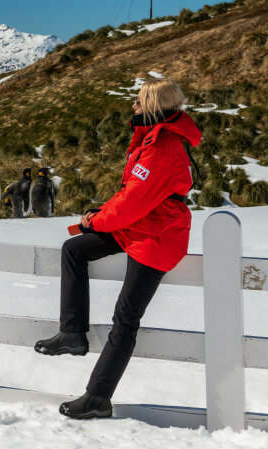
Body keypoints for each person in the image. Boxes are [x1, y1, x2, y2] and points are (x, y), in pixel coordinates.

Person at [34, 78, 202, 419]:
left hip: (157, 237)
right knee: (74, 250)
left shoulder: (161, 149)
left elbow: (132, 203)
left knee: (125, 319)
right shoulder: (153, 139)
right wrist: (100, 215)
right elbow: (130, 196)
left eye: (138, 101)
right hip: (139, 226)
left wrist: (96, 221)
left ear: (153, 106)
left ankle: (98, 398)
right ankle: (72, 334)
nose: (133, 106)